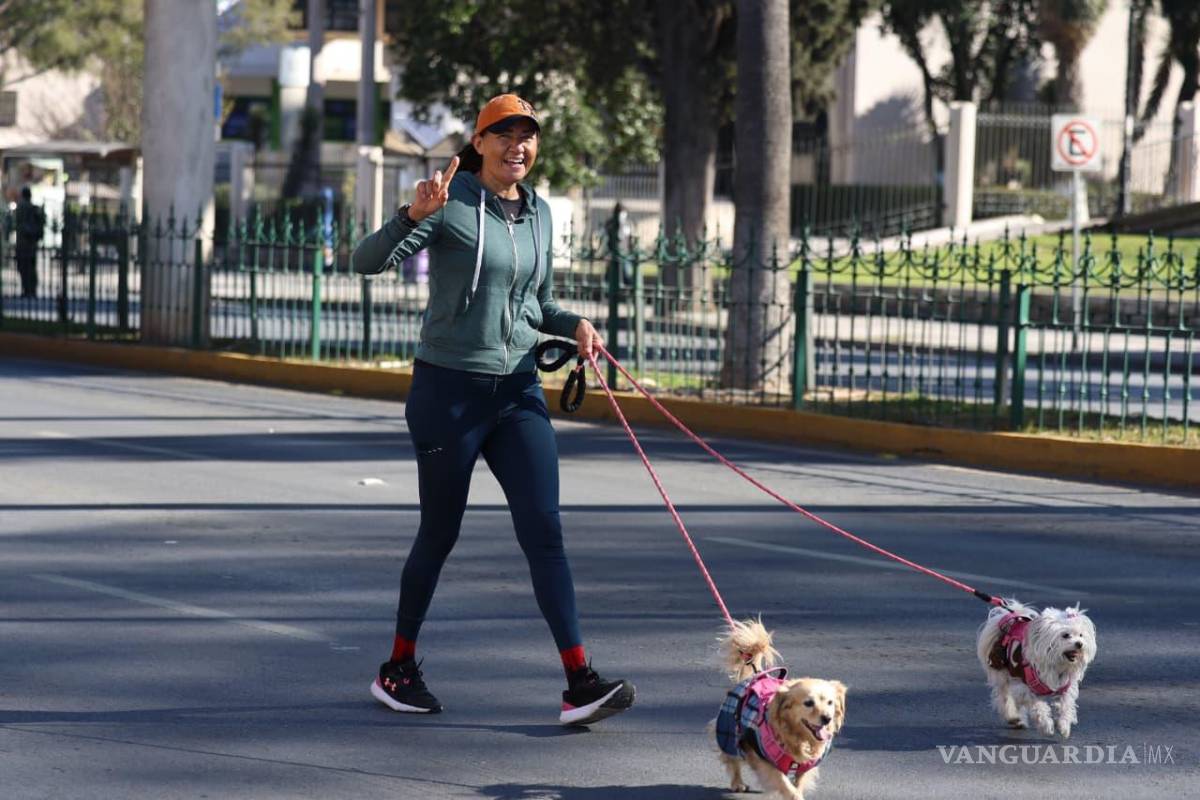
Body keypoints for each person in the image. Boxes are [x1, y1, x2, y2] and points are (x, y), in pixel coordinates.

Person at [352, 94, 635, 725]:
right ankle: (397, 668)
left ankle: (578, 681)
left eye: (528, 136)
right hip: (447, 392)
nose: (518, 146)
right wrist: (409, 216)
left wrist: (577, 324)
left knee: (546, 532)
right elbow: (365, 262)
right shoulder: (449, 203)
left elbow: (538, 303)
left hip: (517, 392)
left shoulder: (538, 214)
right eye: (504, 134)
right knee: (440, 532)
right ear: (478, 143)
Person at [14, 186, 45, 298]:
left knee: (23, 267)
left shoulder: (21, 207)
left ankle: (27, 290)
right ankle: (31, 290)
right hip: (32, 244)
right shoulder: (34, 208)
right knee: (31, 268)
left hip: (22, 244)